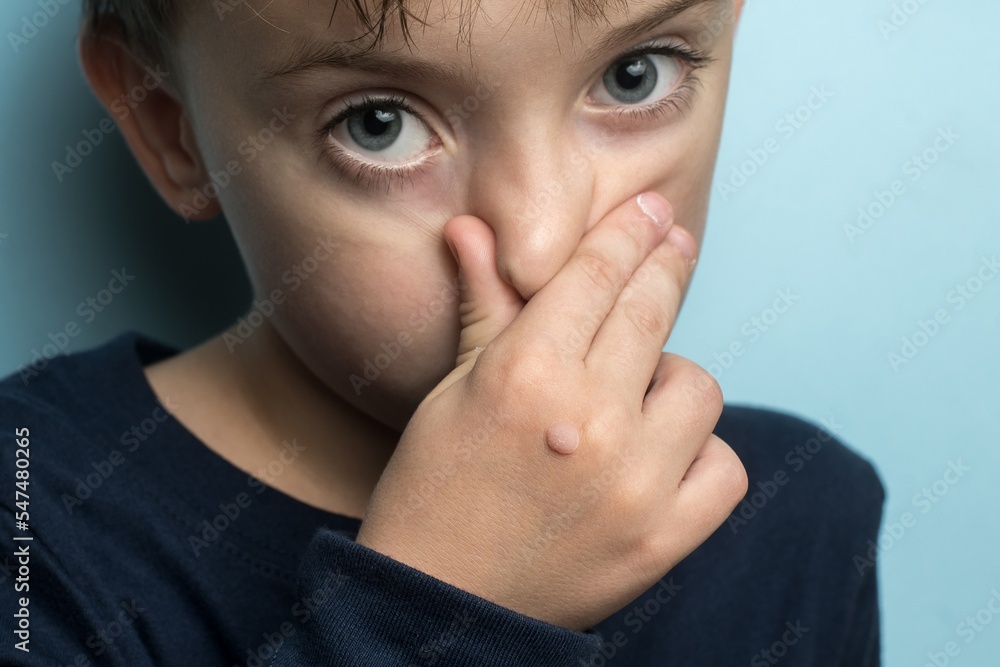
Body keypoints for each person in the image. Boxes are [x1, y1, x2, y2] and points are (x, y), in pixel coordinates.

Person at [0, 0, 885, 664]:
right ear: (171, 127)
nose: (541, 247)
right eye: (378, 123)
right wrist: (437, 614)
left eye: (635, 75)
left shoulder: (802, 516)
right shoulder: (35, 515)